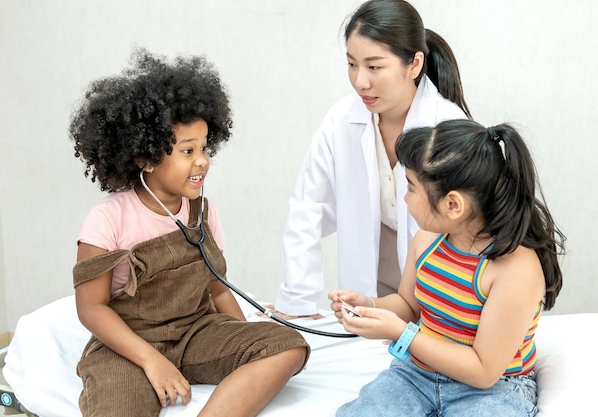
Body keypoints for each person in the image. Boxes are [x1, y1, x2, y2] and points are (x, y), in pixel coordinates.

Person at [69, 49, 309, 417]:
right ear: (146, 158)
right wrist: (152, 361)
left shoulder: (203, 212)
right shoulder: (108, 219)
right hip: (128, 345)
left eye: (204, 147)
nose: (202, 161)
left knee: (289, 345)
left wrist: (244, 342)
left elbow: (217, 288)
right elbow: (91, 308)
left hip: (197, 333)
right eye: (187, 150)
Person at [329, 119, 565, 416]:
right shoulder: (428, 240)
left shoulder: (515, 269)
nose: (404, 198)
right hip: (417, 375)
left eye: (412, 188)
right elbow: (407, 305)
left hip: (493, 389)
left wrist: (403, 334)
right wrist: (369, 305)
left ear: (453, 205)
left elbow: (484, 370)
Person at [275, 0, 471, 318]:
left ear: (414, 64)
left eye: (374, 66)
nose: (360, 81)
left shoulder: (448, 125)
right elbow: (306, 210)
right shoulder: (341, 119)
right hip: (372, 281)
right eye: (352, 64)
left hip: (440, 280)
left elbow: (469, 226)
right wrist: (297, 303)